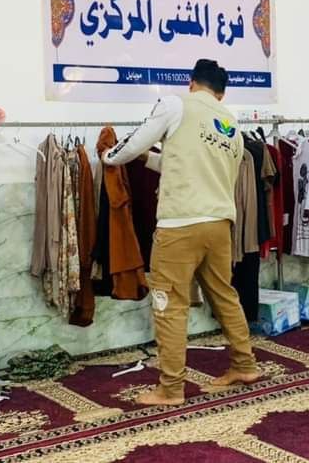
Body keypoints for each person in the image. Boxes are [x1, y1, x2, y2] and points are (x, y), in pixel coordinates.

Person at [102, 59, 261, 406]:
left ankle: (171, 389)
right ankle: (245, 365)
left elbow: (133, 143)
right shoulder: (230, 124)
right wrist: (147, 159)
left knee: (169, 304)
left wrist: (110, 157)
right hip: (218, 224)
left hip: (180, 224)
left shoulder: (176, 104)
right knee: (224, 294)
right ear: (221, 93)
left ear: (191, 83)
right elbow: (183, 162)